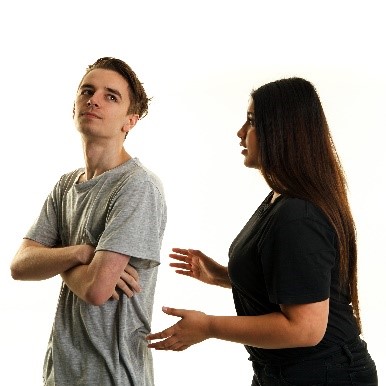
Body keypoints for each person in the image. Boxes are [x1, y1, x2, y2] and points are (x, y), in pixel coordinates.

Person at [146, 77, 378, 385]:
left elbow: (304, 329)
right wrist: (219, 275)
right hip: (284, 373)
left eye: (252, 122)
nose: (241, 133)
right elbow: (293, 283)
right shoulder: (281, 199)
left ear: (282, 132)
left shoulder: (299, 215)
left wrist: (209, 326)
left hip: (325, 374)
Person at [10, 57, 167, 386]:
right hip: (60, 372)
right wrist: (81, 252)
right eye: (87, 91)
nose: (94, 99)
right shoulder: (66, 186)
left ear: (130, 121)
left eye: (111, 96)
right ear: (74, 106)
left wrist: (54, 258)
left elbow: (96, 290)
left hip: (112, 376)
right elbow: (20, 266)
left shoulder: (137, 186)